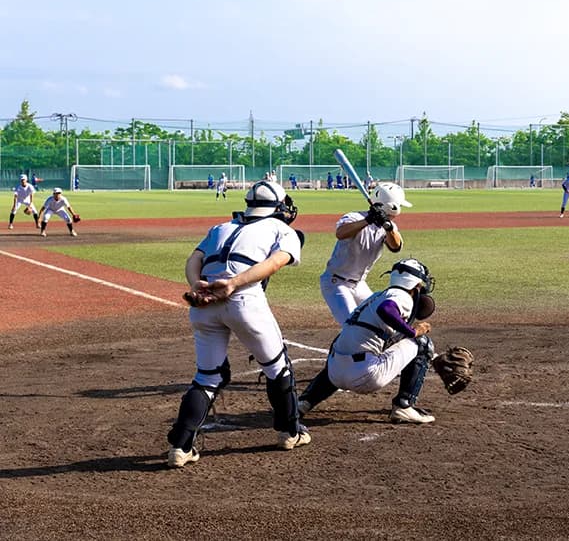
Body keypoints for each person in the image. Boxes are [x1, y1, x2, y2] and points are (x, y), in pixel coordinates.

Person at [165, 180, 308, 468]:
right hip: (244, 300)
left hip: (205, 305)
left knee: (207, 376)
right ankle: (289, 432)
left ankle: (180, 447)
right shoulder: (282, 229)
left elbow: (194, 259)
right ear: (278, 207)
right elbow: (275, 262)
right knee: (277, 366)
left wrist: (197, 287)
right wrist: (232, 284)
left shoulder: (221, 227)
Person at [298, 258, 438, 424]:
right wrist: (413, 331)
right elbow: (386, 309)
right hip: (365, 376)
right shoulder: (402, 296)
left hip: (334, 374)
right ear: (414, 285)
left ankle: (305, 402)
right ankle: (403, 405)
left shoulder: (376, 296)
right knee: (422, 343)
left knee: (343, 343)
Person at [320, 182, 409, 325]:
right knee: (352, 326)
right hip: (336, 282)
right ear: (393, 206)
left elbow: (396, 247)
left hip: (359, 284)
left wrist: (387, 226)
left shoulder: (389, 226)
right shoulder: (354, 217)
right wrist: (368, 220)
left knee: (381, 319)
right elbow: (341, 233)